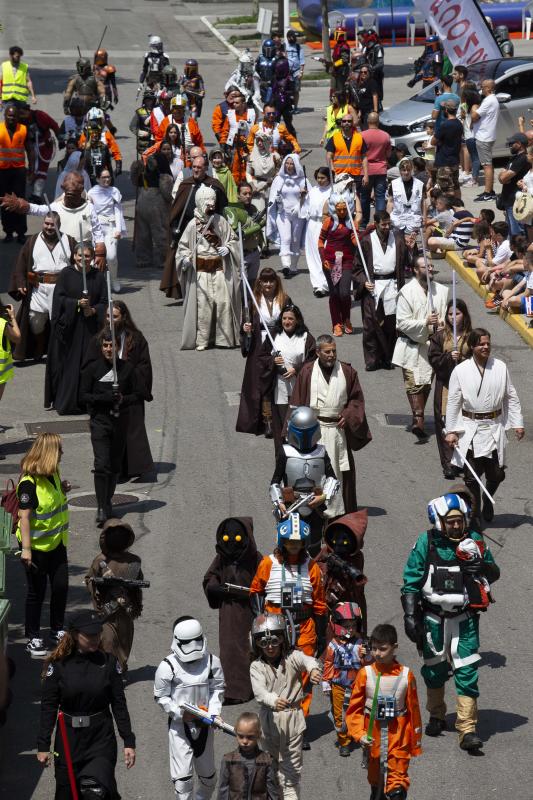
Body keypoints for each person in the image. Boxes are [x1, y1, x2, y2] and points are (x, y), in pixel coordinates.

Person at [402, 493, 500, 751]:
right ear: (439, 522)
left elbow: (494, 572)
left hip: (465, 619)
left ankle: (467, 729)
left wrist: (480, 567)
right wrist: (410, 616)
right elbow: (411, 581)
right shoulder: (426, 542)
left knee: (467, 671)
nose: (456, 526)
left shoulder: (475, 540)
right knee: (434, 670)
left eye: (459, 521)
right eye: (451, 522)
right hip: (433, 618)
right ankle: (436, 715)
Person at [37, 609, 136, 797]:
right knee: (67, 793)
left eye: (98, 633)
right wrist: (43, 745)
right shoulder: (58, 666)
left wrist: (128, 741)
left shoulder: (108, 663)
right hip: (68, 740)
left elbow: (119, 704)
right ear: (74, 634)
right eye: (89, 635)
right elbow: (48, 707)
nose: (95, 638)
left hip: (100, 740)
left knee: (95, 791)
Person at [250, 514, 326, 722]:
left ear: (304, 543)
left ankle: (300, 720)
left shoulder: (313, 568)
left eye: (298, 542)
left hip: (304, 626)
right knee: (275, 672)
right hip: (274, 625)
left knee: (304, 675)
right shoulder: (268, 563)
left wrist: (321, 635)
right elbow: (256, 590)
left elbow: (319, 603)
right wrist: (259, 620)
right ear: (282, 542)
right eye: (290, 541)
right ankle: (277, 715)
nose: (294, 545)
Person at [445, 328, 524, 527]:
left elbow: (510, 396)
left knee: (497, 473)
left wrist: (517, 423)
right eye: (481, 344)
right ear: (472, 346)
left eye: (488, 343)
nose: (486, 347)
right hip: (471, 429)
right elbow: (453, 402)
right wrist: (452, 431)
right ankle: (475, 519)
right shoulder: (460, 371)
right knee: (471, 478)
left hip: (494, 427)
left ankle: (488, 498)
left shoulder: (500, 367)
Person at [289, 336, 371, 515]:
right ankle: (311, 510)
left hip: (337, 432)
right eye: (327, 351)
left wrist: (348, 415)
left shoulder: (348, 372)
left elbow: (356, 400)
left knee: (337, 474)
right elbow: (297, 403)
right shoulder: (307, 372)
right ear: (318, 352)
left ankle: (338, 513)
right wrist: (292, 433)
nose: (332, 355)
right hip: (313, 431)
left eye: (334, 351)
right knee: (311, 472)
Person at [346, 623, 422, 798]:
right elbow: (354, 709)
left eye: (383, 649)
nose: (377, 654)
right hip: (374, 740)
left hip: (399, 740)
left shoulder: (406, 675)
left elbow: (414, 710)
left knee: (397, 788)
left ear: (395, 647)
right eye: (373, 649)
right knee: (377, 788)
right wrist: (359, 734)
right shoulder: (365, 673)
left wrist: (414, 742)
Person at [249, 613, 321, 796]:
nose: (270, 647)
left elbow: (309, 660)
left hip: (293, 720)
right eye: (263, 643)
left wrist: (313, 670)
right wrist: (273, 700)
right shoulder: (256, 667)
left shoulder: (293, 657)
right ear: (255, 643)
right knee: (270, 770)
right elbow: (259, 692)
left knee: (291, 774)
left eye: (275, 640)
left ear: (284, 638)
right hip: (268, 722)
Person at [154, 616, 224, 800]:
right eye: (187, 642)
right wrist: (179, 713)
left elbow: (217, 689)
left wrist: (214, 713)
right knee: (182, 782)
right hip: (179, 728)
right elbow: (161, 697)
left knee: (209, 779)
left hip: (204, 725)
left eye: (196, 640)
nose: (193, 646)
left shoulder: (211, 661)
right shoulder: (167, 666)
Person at [15, 433, 70, 657]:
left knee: (60, 587)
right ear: (50, 454)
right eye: (59, 451)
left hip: (57, 544)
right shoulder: (28, 484)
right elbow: (24, 518)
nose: (62, 455)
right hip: (36, 549)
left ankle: (56, 629)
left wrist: (63, 489)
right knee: (36, 593)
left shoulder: (53, 474)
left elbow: (52, 500)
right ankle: (33, 636)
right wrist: (26, 549)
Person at [80, 327, 141, 525]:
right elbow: (83, 396)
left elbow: (140, 395)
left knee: (114, 466)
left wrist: (123, 399)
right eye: (105, 346)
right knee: (101, 464)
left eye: (111, 346)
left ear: (117, 347)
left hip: (120, 423)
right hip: (100, 423)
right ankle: (99, 506)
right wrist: (104, 398)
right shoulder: (92, 369)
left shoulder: (127, 369)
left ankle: (107, 502)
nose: (108, 349)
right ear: (101, 348)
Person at [203, 517, 262, 705]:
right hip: (228, 610)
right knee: (229, 648)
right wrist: (214, 587)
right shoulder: (222, 558)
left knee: (248, 648)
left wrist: (254, 593)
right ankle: (232, 689)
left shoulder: (255, 557)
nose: (231, 541)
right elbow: (211, 576)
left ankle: (247, 688)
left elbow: (265, 578)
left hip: (249, 610)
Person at [45, 241, 107, 414]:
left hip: (90, 328)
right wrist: (76, 304)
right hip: (71, 328)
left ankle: (88, 400)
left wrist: (93, 310)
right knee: (70, 364)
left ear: (93, 257)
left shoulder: (98, 276)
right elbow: (59, 299)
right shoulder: (66, 274)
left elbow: (104, 302)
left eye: (87, 256)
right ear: (74, 256)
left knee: (88, 363)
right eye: (80, 255)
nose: (83, 259)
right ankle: (67, 401)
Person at [269, 405, 339, 556]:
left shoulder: (321, 452)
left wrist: (323, 496)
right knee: (287, 546)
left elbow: (332, 478)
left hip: (315, 508)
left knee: (314, 546)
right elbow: (275, 481)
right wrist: (279, 502)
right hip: (290, 506)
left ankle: (312, 576)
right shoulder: (284, 452)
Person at [177, 184, 240, 351]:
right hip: (201, 272)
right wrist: (184, 260)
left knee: (223, 303)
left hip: (219, 269)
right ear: (200, 202)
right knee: (204, 306)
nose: (211, 205)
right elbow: (183, 248)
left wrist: (228, 248)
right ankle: (203, 340)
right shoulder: (192, 225)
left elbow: (233, 240)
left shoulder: (221, 221)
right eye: (207, 202)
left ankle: (224, 339)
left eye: (213, 202)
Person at [392, 256, 448, 439]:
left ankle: (419, 415)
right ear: (416, 270)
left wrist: (441, 324)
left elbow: (447, 318)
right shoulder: (406, 292)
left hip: (432, 346)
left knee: (425, 384)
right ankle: (418, 418)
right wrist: (424, 322)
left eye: (431, 266)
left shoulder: (441, 291)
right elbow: (401, 323)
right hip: (411, 346)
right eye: (426, 266)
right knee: (413, 383)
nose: (430, 269)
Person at [1, 171, 107, 265]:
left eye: (74, 195)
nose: (70, 198)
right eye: (68, 194)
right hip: (62, 254)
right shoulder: (56, 207)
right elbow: (38, 210)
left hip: (84, 254)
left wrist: (100, 251)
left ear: (81, 190)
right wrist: (21, 205)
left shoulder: (89, 208)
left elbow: (97, 231)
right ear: (63, 188)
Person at [8, 212, 74, 361]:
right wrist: (20, 283)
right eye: (47, 223)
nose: (49, 227)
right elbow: (21, 263)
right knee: (35, 321)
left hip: (61, 289)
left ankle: (57, 352)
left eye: (52, 224)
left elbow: (78, 261)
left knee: (60, 322)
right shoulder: (32, 241)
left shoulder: (69, 241)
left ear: (59, 225)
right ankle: (39, 346)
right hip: (39, 289)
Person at [160, 155, 227, 299]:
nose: (196, 170)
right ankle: (187, 290)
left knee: (207, 262)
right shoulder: (186, 185)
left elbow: (222, 209)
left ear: (206, 169)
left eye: (199, 167)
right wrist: (174, 226)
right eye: (194, 167)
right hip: (187, 229)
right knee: (187, 261)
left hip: (209, 229)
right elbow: (176, 210)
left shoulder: (214, 186)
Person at [85, 518, 145, 673]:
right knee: (108, 642)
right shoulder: (100, 561)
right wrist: (99, 584)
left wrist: (130, 588)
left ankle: (121, 668)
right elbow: (89, 579)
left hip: (126, 611)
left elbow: (139, 580)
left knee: (124, 644)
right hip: (107, 612)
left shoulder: (134, 562)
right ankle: (109, 672)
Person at [236, 267, 289, 438]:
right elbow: (246, 324)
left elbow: (294, 320)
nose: (268, 284)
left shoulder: (285, 300)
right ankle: (267, 421)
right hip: (260, 346)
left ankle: (283, 419)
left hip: (280, 342)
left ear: (276, 282)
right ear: (260, 283)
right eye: (265, 281)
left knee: (279, 382)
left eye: (271, 280)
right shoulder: (253, 301)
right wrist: (246, 328)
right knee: (263, 384)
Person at [354, 210, 407, 372]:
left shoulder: (397, 239)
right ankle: (372, 359)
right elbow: (357, 267)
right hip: (373, 286)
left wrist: (411, 246)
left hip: (392, 285)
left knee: (390, 324)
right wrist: (364, 282)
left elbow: (408, 258)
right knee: (370, 324)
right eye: (383, 224)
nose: (386, 227)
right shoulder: (366, 242)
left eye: (388, 224)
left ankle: (388, 358)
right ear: (375, 224)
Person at [259, 307, 316, 451]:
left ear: (297, 320)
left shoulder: (306, 337)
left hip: (299, 384)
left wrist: (296, 369)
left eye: (290, 318)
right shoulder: (274, 335)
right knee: (282, 421)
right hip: (280, 385)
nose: (287, 321)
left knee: (298, 419)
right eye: (284, 318)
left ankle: (300, 452)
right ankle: (282, 457)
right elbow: (261, 357)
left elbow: (313, 359)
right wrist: (273, 360)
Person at [428, 299, 472, 479]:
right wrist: (448, 357)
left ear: (465, 315)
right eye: (450, 314)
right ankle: (447, 463)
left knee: (464, 424)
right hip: (445, 386)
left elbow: (478, 357)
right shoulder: (440, 336)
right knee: (445, 423)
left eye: (457, 313)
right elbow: (433, 359)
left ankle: (460, 461)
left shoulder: (472, 336)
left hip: (467, 387)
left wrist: (463, 358)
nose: (453, 317)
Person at [322, 602, 370, 757]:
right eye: (347, 625)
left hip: (358, 685)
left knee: (359, 711)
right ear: (336, 625)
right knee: (340, 716)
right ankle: (344, 741)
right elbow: (328, 663)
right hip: (338, 686)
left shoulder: (361, 644)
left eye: (353, 625)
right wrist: (325, 681)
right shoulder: (333, 646)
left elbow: (368, 665)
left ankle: (358, 734)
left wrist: (367, 655)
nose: (351, 629)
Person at [313, 510, 368, 624]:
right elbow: (312, 570)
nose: (340, 544)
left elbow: (358, 588)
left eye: (345, 541)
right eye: (337, 540)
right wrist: (327, 568)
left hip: (346, 604)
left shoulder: (357, 558)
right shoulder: (326, 551)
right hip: (324, 603)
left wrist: (344, 572)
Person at [318, 191, 359, 337]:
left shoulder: (352, 223)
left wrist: (359, 237)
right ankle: (336, 323)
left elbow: (355, 242)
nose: (341, 212)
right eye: (339, 209)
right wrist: (323, 259)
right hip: (330, 261)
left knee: (345, 293)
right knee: (334, 293)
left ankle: (346, 318)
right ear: (334, 208)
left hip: (347, 261)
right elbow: (320, 241)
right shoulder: (328, 222)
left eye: (344, 209)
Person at [217, 711, 281, 800]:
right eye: (241, 736)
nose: (245, 741)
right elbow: (223, 791)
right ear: (236, 733)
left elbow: (273, 791)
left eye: (250, 737)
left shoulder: (267, 760)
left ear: (258, 735)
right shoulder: (228, 760)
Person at [130, 154, 173, 270]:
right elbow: (134, 181)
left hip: (158, 210)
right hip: (142, 208)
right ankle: (144, 257)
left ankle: (163, 257)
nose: (150, 164)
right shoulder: (144, 174)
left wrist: (164, 180)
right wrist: (135, 168)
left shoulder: (163, 176)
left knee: (160, 234)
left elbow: (168, 195)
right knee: (142, 235)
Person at [266, 154, 306, 277]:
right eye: (287, 163)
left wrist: (301, 201)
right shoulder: (279, 179)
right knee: (286, 238)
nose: (289, 166)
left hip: (298, 214)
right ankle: (286, 266)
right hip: (282, 214)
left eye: (292, 163)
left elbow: (309, 199)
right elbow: (272, 197)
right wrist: (277, 200)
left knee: (295, 240)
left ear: (296, 165)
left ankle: (293, 267)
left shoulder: (303, 180)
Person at [88, 168, 126, 293]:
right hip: (97, 228)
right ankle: (99, 283)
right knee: (97, 258)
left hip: (111, 227)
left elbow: (118, 210)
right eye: (103, 177)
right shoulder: (92, 192)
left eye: (108, 177)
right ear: (98, 178)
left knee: (111, 256)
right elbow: (89, 212)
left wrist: (118, 229)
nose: (107, 179)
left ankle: (114, 279)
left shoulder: (114, 191)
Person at [0, 103, 34, 243]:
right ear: (4, 116)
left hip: (19, 171)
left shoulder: (24, 130)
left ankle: (21, 232)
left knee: (20, 201)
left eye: (14, 116)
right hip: (2, 171)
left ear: (18, 117)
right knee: (5, 201)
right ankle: (8, 232)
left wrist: (31, 168)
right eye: (9, 115)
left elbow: (30, 150)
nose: (12, 118)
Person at [224, 181, 266, 285]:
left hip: (255, 252)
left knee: (253, 284)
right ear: (238, 195)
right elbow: (236, 233)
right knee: (242, 286)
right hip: (242, 254)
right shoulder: (233, 210)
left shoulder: (253, 208)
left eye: (250, 193)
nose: (248, 196)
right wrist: (256, 227)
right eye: (245, 194)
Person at [18, 103, 60, 203]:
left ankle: (37, 194)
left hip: (45, 147)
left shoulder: (40, 115)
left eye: (23, 113)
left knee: (42, 170)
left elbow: (54, 125)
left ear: (28, 110)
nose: (21, 116)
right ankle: (30, 192)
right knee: (33, 170)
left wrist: (60, 139)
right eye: (19, 114)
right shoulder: (20, 121)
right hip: (31, 148)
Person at [301, 167, 331, 297]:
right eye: (318, 177)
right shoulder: (313, 191)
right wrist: (302, 197)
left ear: (329, 178)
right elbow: (304, 209)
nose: (320, 180)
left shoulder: (333, 191)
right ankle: (318, 285)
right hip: (312, 224)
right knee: (312, 254)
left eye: (323, 178)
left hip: (326, 224)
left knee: (324, 254)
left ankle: (327, 283)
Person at [360, 112, 391, 227]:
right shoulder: (386, 136)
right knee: (380, 197)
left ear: (368, 121)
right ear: (378, 122)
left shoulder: (361, 135)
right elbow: (388, 154)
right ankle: (380, 222)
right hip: (381, 170)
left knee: (364, 197)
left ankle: (364, 222)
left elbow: (358, 154)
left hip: (365, 171)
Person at [218, 90, 256, 186]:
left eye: (237, 103)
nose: (234, 104)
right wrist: (223, 146)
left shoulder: (252, 113)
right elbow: (225, 131)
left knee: (248, 168)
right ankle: (235, 187)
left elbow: (256, 129)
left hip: (248, 146)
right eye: (233, 102)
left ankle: (246, 187)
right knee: (234, 168)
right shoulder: (230, 114)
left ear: (243, 104)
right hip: (233, 147)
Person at [471, 80, 499, 202]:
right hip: (486, 136)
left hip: (484, 137)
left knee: (487, 165)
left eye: (482, 87)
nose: (481, 89)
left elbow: (474, 116)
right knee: (488, 164)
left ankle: (488, 193)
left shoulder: (488, 100)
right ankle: (489, 191)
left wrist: (474, 107)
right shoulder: (491, 100)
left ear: (488, 88)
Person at [326, 113, 368, 193]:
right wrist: (332, 170)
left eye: (349, 121)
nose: (346, 123)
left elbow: (364, 157)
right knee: (341, 201)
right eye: (344, 121)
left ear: (352, 123)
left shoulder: (359, 138)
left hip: (356, 175)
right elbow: (329, 156)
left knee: (355, 198)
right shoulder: (335, 138)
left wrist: (366, 175)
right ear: (341, 123)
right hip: (339, 175)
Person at [497, 133, 529, 236]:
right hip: (508, 201)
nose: (510, 145)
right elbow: (501, 176)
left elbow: (503, 177)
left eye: (512, 143)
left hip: (516, 202)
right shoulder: (513, 158)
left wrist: (503, 177)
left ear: (519, 144)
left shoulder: (522, 158)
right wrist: (503, 177)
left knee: (517, 233)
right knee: (511, 232)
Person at [246, 131, 281, 220]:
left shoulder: (275, 156)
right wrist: (252, 185)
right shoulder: (252, 157)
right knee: (258, 214)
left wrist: (273, 179)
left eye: (262, 140)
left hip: (272, 187)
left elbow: (280, 171)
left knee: (273, 215)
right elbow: (248, 173)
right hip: (257, 188)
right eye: (258, 141)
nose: (260, 143)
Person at [388, 158, 425, 232]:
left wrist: (424, 216)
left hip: (414, 217)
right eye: (404, 170)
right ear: (400, 171)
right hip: (397, 217)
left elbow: (423, 202)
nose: (406, 172)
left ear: (412, 170)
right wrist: (388, 216)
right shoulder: (394, 184)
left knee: (410, 240)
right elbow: (390, 202)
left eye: (408, 170)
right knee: (398, 240)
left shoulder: (420, 184)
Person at [349, 65, 378, 130]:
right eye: (361, 72)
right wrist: (360, 111)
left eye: (365, 72)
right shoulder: (362, 84)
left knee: (369, 130)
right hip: (363, 113)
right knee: (363, 130)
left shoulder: (372, 82)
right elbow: (361, 100)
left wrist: (375, 111)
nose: (363, 74)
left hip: (369, 112)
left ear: (369, 73)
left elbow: (375, 95)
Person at [285, 30, 305, 113]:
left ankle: (296, 107)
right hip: (286, 72)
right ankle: (287, 107)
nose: (294, 38)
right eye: (293, 37)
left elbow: (302, 61)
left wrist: (301, 72)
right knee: (286, 90)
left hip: (296, 71)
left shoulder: (298, 47)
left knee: (296, 90)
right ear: (288, 37)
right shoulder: (285, 46)